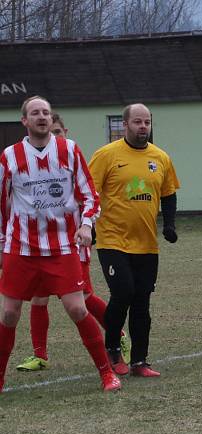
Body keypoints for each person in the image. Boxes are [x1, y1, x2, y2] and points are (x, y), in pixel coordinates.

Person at [0, 96, 120, 393]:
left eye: (45, 112)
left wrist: (86, 225)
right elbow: (1, 204)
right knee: (8, 314)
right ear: (24, 121)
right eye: (35, 113)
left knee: (77, 308)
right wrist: (2, 243)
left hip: (62, 248)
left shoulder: (69, 150)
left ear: (50, 118)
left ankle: (107, 372)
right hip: (21, 248)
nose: (41, 117)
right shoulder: (10, 156)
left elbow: (90, 196)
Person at [88, 103, 180, 378]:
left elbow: (169, 194)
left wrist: (170, 225)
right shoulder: (106, 155)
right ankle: (113, 349)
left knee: (142, 301)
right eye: (138, 122)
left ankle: (140, 360)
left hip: (147, 243)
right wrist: (89, 226)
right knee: (123, 293)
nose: (143, 127)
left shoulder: (160, 157)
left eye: (147, 122)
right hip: (112, 240)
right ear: (125, 125)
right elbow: (88, 192)